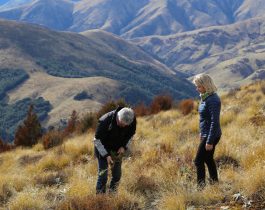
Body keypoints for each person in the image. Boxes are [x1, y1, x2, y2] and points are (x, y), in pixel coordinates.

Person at [93, 107, 136, 194]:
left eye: (125, 125)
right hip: (103, 149)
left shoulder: (131, 120)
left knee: (117, 175)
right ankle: (99, 200)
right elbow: (97, 141)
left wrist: (124, 147)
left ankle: (112, 195)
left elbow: (130, 136)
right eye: (121, 123)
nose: (123, 126)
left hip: (117, 150)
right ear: (118, 117)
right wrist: (106, 155)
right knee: (103, 176)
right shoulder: (105, 121)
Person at [193, 73, 222, 188]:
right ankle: (215, 184)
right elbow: (205, 119)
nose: (197, 88)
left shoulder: (213, 100)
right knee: (208, 159)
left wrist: (209, 141)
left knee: (198, 161)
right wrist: (201, 132)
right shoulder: (205, 97)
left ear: (206, 85)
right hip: (207, 133)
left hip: (212, 134)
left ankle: (200, 188)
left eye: (199, 86)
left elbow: (215, 122)